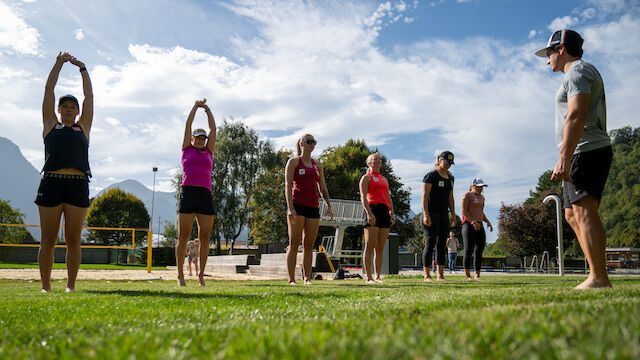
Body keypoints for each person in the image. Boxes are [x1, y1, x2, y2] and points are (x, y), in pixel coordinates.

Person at [536, 29, 613, 289]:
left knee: (583, 210)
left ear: (561, 49)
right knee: (570, 213)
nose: (547, 60)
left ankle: (599, 277)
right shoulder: (575, 74)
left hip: (586, 149)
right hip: (578, 151)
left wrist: (564, 158)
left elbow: (577, 115)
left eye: (548, 53)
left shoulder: (579, 71)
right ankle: (595, 273)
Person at [36, 52, 93, 293]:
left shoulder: (84, 127)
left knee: (73, 240)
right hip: (52, 182)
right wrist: (58, 63)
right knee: (48, 239)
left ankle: (70, 285)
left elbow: (89, 96)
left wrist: (82, 69)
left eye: (73, 107)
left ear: (77, 112)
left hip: (77, 184)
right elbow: (49, 89)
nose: (69, 110)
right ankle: (46, 287)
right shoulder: (50, 124)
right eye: (65, 107)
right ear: (58, 110)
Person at [176, 99, 216, 287]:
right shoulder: (186, 149)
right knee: (183, 235)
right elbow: (187, 125)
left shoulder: (209, 152)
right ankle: (180, 276)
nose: (201, 140)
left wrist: (207, 110)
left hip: (205, 194)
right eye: (197, 138)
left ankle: (201, 275)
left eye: (203, 138)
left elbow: (214, 130)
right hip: (188, 192)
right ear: (192, 139)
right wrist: (195, 107)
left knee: (205, 236)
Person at [284, 134, 333, 285]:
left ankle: (307, 278)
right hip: (297, 206)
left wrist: (328, 204)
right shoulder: (293, 162)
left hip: (313, 207)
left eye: (314, 142)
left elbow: (322, 187)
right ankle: (292, 279)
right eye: (309, 141)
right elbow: (287, 185)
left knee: (309, 245)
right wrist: (290, 208)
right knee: (294, 244)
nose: (312, 144)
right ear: (301, 144)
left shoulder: (317, 164)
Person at [359, 152, 396, 284]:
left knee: (380, 247)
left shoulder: (384, 179)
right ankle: (368, 277)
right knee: (370, 246)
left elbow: (388, 197)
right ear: (369, 163)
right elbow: (363, 197)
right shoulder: (366, 178)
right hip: (372, 209)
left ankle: (378, 276)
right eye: (375, 159)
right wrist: (369, 213)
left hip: (384, 211)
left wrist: (392, 212)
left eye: (379, 159)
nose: (378, 161)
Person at [422, 151, 457, 281]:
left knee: (442, 244)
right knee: (430, 243)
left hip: (443, 215)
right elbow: (425, 196)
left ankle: (440, 274)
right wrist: (426, 214)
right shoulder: (431, 176)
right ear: (439, 160)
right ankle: (427, 275)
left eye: (451, 163)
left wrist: (453, 215)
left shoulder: (451, 178)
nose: (448, 165)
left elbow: (450, 198)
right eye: (446, 162)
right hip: (431, 213)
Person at [460, 178, 493, 280]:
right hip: (468, 225)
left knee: (479, 250)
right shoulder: (467, 196)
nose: (481, 189)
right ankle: (467, 275)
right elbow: (464, 211)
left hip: (480, 225)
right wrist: (473, 221)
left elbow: (481, 212)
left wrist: (487, 221)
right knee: (468, 250)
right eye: (479, 186)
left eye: (482, 187)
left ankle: (477, 274)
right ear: (473, 186)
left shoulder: (482, 198)